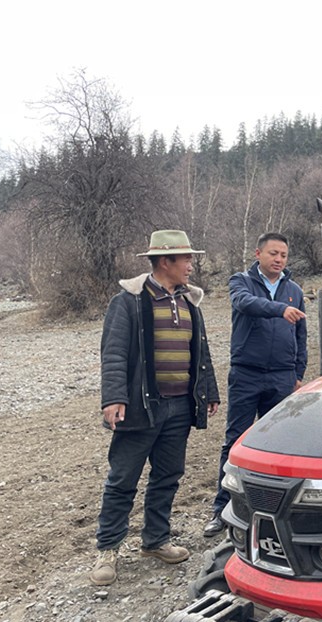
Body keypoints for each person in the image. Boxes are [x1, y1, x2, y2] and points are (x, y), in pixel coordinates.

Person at [90, 230, 220, 586]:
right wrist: (113, 397)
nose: (191, 265)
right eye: (186, 259)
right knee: (122, 480)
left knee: (167, 476)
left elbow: (200, 351)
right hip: (141, 407)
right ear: (166, 261)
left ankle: (155, 541)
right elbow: (113, 353)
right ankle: (108, 549)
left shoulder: (189, 301)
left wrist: (208, 391)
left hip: (180, 408)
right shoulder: (128, 301)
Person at [203, 232, 307, 537]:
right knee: (235, 441)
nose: (279, 259)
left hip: (282, 377)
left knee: (279, 444)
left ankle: (274, 509)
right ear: (258, 253)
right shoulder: (241, 282)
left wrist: (298, 373)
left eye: (283, 255)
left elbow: (301, 335)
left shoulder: (294, 290)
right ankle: (222, 508)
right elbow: (245, 304)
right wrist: (278, 309)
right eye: (273, 253)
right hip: (246, 375)